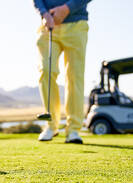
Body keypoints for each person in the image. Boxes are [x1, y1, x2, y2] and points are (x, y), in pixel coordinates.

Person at [34, 0, 92, 144]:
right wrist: (44, 13)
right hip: (49, 25)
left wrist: (67, 8)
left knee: (74, 76)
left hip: (76, 24)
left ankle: (73, 130)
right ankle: (51, 125)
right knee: (46, 70)